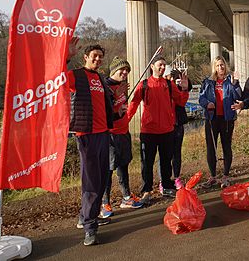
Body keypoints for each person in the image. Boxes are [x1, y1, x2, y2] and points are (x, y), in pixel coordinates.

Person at [68, 40, 125, 246]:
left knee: (101, 179)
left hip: (103, 134)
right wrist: (66, 55)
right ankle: (90, 229)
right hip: (86, 135)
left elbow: (105, 106)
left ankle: (86, 216)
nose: (98, 59)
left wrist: (116, 112)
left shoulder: (100, 78)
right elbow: (56, 76)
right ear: (85, 57)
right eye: (94, 55)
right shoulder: (76, 75)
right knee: (91, 182)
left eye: (100, 56)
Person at [127, 55, 189, 202]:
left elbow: (180, 101)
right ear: (152, 67)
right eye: (159, 65)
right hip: (148, 131)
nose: (162, 67)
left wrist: (185, 90)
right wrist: (124, 122)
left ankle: (167, 186)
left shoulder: (169, 85)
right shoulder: (144, 85)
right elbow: (133, 105)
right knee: (147, 163)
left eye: (164, 65)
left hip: (167, 130)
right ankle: (147, 191)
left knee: (166, 161)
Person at [99, 57, 143, 219]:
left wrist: (123, 109)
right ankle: (105, 202)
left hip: (124, 132)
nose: (124, 73)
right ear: (113, 71)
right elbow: (103, 111)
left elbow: (122, 107)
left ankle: (126, 197)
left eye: (127, 70)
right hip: (110, 134)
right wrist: (115, 100)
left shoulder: (122, 86)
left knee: (123, 165)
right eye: (121, 70)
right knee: (108, 169)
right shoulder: (105, 86)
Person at [199, 55, 242, 188]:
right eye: (217, 65)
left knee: (226, 146)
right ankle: (212, 176)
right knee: (211, 148)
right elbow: (201, 98)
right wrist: (207, 103)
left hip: (227, 118)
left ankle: (225, 175)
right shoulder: (208, 82)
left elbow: (239, 96)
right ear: (214, 67)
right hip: (212, 118)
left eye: (222, 65)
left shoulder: (231, 80)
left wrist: (235, 84)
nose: (220, 67)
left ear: (225, 66)